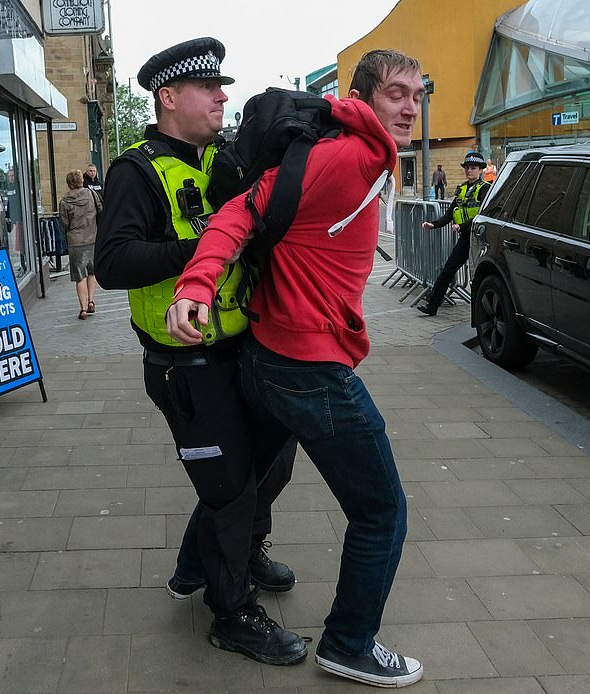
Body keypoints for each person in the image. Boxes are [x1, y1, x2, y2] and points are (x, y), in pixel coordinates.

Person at [166, 48, 425, 689]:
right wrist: (195, 284)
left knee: (247, 474)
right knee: (381, 512)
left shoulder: (348, 148)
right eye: (396, 93)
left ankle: (191, 570)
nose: (411, 107)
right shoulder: (348, 156)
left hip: (267, 357)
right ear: (364, 97)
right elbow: (241, 213)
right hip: (309, 369)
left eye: (419, 95)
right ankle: (349, 643)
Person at [94, 37, 304, 667]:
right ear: (168, 97)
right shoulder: (137, 169)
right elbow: (111, 263)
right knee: (228, 490)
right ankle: (231, 611)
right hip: (186, 367)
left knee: (274, 464)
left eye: (223, 86)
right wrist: (203, 249)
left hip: (246, 348)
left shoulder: (224, 159)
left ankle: (242, 552)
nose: (222, 96)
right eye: (208, 88)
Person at [417, 151, 490, 316]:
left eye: (473, 167)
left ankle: (481, 313)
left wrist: (462, 226)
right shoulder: (462, 189)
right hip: (466, 238)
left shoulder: (485, 189)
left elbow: (483, 215)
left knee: (478, 276)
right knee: (448, 269)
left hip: (480, 238)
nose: (469, 170)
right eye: (467, 167)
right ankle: (433, 305)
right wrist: (433, 224)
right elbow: (450, 214)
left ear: (480, 170)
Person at [59, 169, 101, 319]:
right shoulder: (92, 194)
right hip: (93, 238)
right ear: (81, 181)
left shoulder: (64, 202)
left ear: (69, 184)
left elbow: (64, 223)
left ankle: (83, 308)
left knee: (80, 276)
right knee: (92, 272)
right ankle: (91, 300)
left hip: (75, 242)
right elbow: (101, 211)